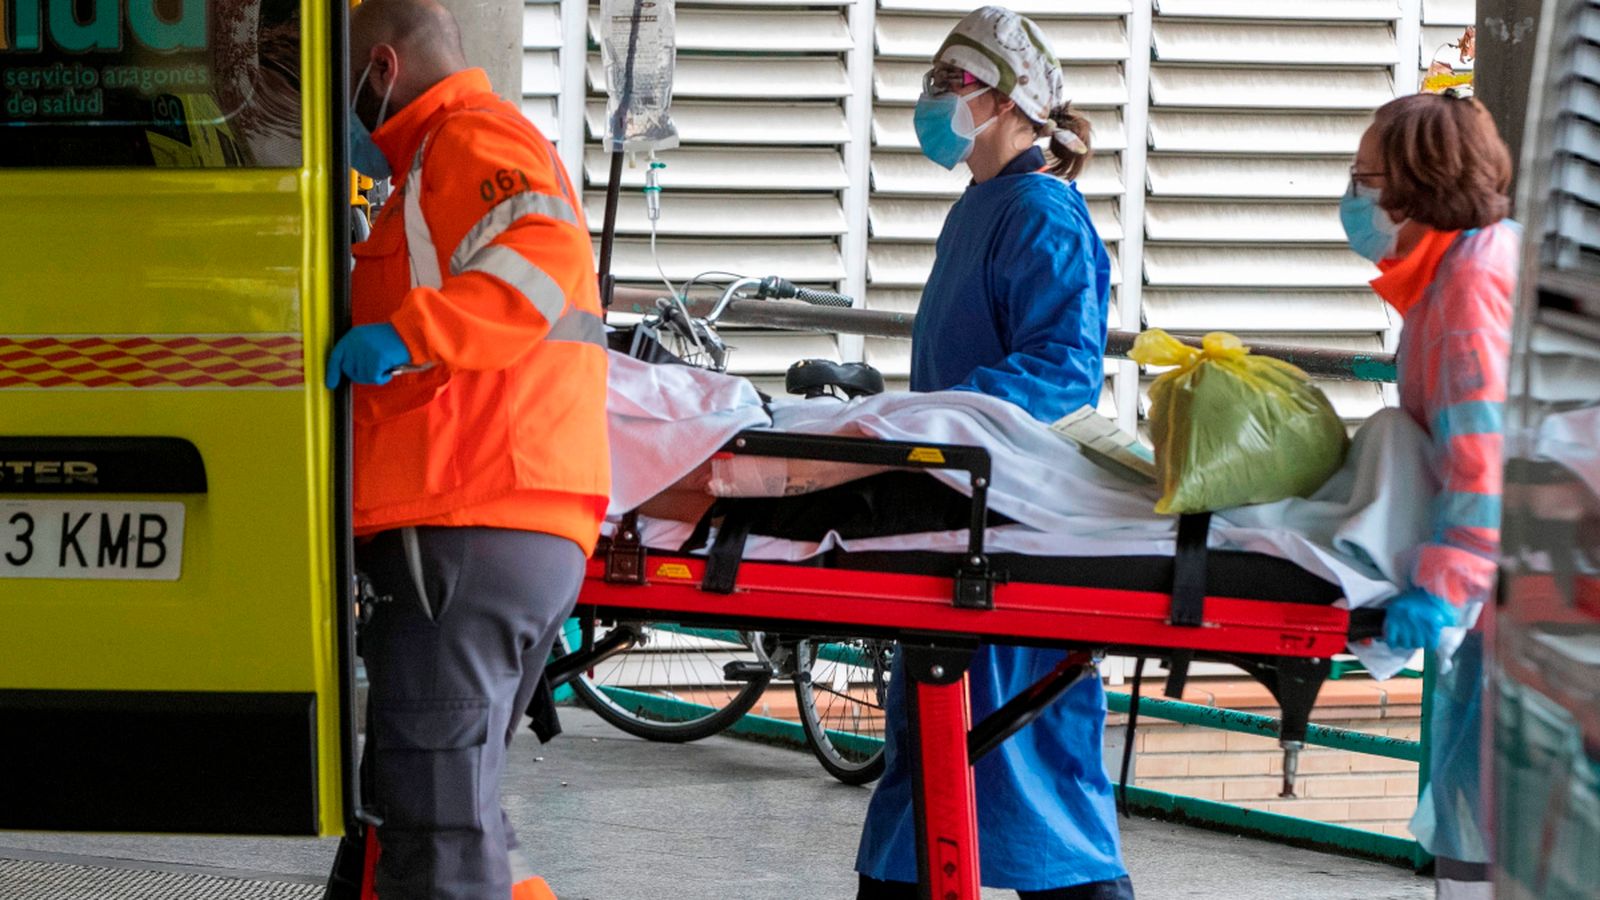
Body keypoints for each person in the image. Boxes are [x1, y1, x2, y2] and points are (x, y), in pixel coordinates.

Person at [326, 1, 609, 897]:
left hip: (468, 512)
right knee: (442, 811)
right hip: (505, 521)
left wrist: (411, 334)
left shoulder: (468, 137)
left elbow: (540, 252)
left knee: (437, 829)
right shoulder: (427, 167)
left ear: (380, 67)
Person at [855, 8, 1132, 899]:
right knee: (931, 770)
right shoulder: (982, 208)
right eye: (932, 83)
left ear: (1011, 102)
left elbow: (1062, 369)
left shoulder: (1043, 214)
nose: (934, 103)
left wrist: (940, 417)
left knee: (1023, 772)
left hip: (1011, 531)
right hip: (958, 521)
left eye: (953, 85)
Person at [1346, 91, 1519, 900]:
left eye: (1364, 178)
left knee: (1497, 833)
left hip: (1531, 600)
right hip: (1522, 595)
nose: (1354, 198)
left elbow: (1486, 468)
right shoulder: (1462, 272)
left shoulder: (1469, 291)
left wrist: (1439, 594)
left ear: (1414, 187)